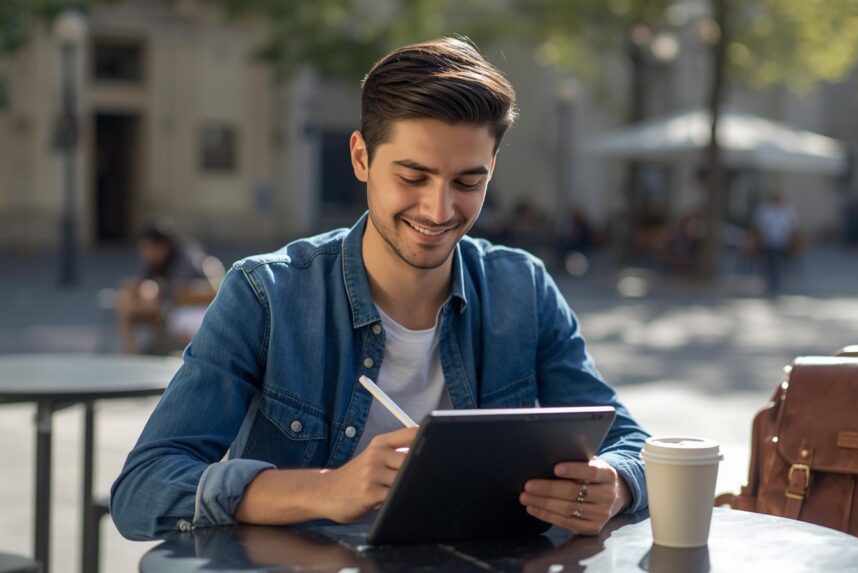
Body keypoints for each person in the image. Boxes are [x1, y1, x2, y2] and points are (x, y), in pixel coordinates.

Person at [110, 38, 649, 541]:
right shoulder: (266, 294)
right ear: (361, 158)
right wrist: (326, 488)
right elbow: (142, 490)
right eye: (413, 177)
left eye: (467, 182)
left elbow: (633, 445)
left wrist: (616, 486)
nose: (439, 211)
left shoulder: (522, 288)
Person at [114, 219, 213, 354]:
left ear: (161, 246)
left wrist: (155, 291)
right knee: (126, 304)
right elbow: (143, 281)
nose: (144, 253)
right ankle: (131, 353)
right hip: (169, 308)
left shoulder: (186, 259)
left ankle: (152, 351)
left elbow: (179, 290)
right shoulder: (155, 262)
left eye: (147, 248)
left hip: (193, 309)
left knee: (147, 304)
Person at [752, 192, 798, 296]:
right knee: (768, 264)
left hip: (782, 242)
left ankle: (776, 284)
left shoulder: (787, 211)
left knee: (778, 264)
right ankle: (770, 283)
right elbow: (758, 224)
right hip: (768, 241)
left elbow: (793, 226)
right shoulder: (766, 210)